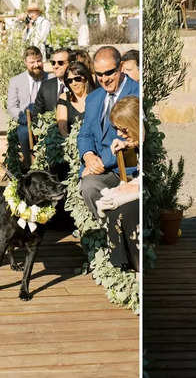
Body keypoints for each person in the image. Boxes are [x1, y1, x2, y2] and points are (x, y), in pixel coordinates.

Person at [78, 46, 140, 220]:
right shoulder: (94, 98)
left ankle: (119, 232)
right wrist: (88, 156)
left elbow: (130, 136)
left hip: (129, 168)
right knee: (89, 187)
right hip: (103, 171)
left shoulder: (137, 93)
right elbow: (84, 135)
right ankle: (107, 231)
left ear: (120, 68)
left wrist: (97, 164)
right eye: (99, 74)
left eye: (109, 73)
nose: (104, 79)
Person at [95, 95, 141, 272]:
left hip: (143, 190)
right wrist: (127, 145)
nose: (119, 134)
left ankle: (136, 265)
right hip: (135, 185)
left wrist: (132, 187)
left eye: (123, 130)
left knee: (124, 213)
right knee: (114, 210)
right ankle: (122, 265)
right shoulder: (134, 141)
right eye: (116, 129)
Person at [6, 46, 48, 167]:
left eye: (39, 61)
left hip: (46, 121)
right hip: (25, 121)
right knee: (23, 131)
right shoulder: (16, 81)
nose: (36, 65)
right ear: (25, 62)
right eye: (32, 62)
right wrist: (22, 118)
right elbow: (12, 106)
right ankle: (28, 165)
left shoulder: (51, 78)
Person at [30, 47, 70, 122]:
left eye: (60, 63)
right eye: (53, 63)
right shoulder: (45, 86)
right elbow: (36, 115)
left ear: (70, 63)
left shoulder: (79, 84)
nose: (56, 66)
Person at [56, 61, 95, 137]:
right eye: (70, 81)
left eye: (77, 79)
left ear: (85, 78)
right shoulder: (64, 97)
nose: (74, 83)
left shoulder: (96, 97)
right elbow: (62, 128)